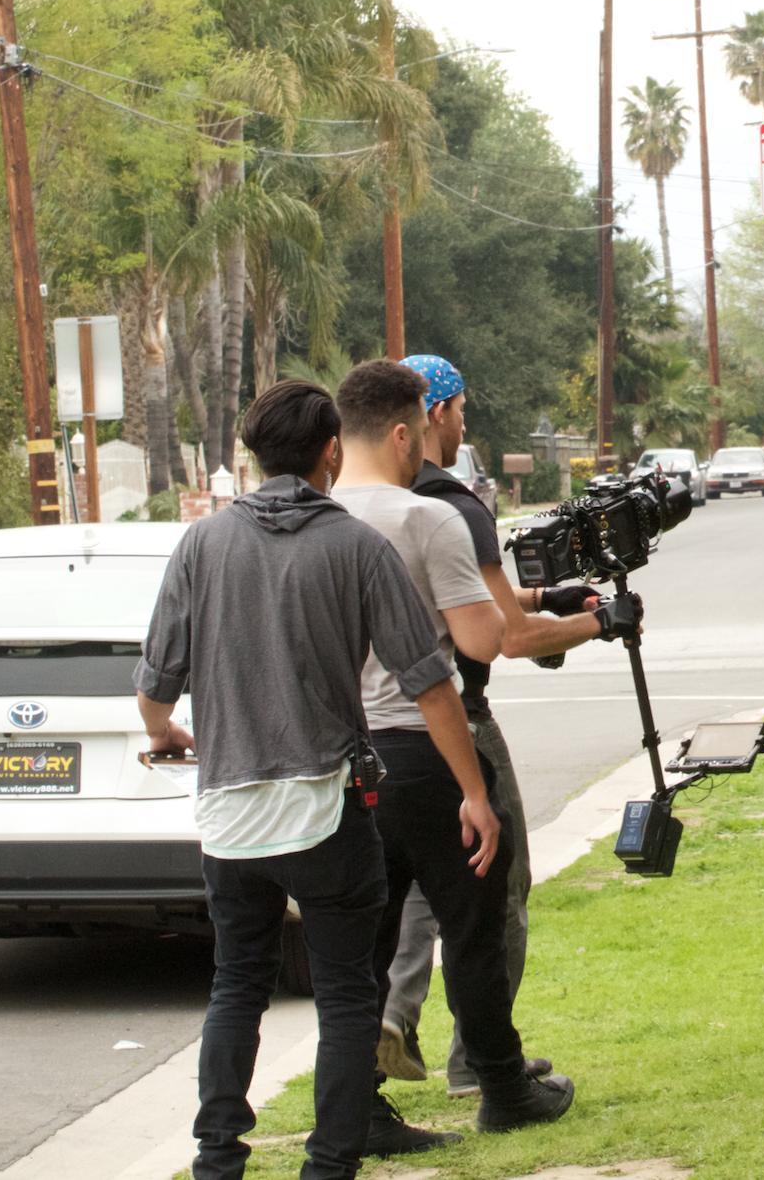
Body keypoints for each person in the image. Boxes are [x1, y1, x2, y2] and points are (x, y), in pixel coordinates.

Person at [135, 379, 482, 1177]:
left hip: (229, 814)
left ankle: (216, 1156)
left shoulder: (201, 544)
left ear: (252, 457)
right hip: (327, 807)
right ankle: (330, 1165)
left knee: (237, 986)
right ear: (330, 451)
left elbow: (157, 681)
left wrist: (166, 735)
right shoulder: (357, 546)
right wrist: (471, 792)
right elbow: (430, 682)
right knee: (346, 995)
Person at [329, 358, 582, 1139]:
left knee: (362, 940)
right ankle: (500, 1085)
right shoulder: (425, 517)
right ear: (407, 430)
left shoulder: (311, 519)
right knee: (472, 921)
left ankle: (357, 1101)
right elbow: (481, 638)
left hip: (342, 755)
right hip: (423, 748)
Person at [378, 354, 621, 1096]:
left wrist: (543, 592)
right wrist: (599, 621)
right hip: (454, 716)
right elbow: (499, 635)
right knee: (496, 884)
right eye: (457, 412)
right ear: (434, 414)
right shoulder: (450, 504)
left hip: (364, 734)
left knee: (408, 892)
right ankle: (483, 1065)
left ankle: (391, 1019)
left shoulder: (351, 502)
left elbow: (460, 595)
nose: (458, 426)